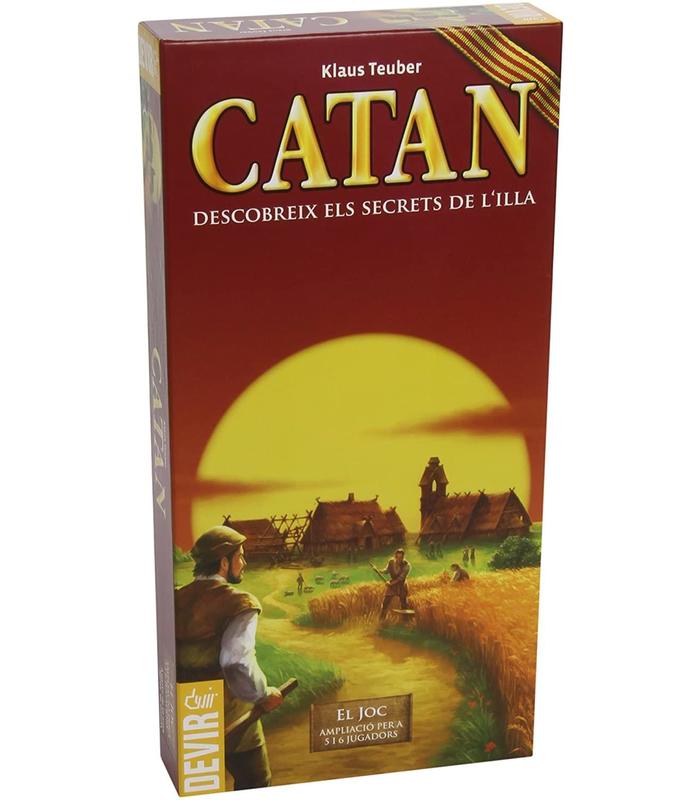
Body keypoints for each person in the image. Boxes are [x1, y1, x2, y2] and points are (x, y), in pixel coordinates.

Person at [175, 527, 284, 790]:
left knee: (199, 785)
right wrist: (262, 694)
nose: (244, 563)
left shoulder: (176, 597)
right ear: (224, 562)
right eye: (240, 556)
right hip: (234, 716)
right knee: (255, 782)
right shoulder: (239, 604)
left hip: (192, 716)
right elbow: (236, 661)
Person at [379, 548, 411, 620]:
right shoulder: (391, 562)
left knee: (404, 604)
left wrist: (391, 584)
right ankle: (382, 619)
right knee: (385, 602)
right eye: (397, 557)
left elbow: (401, 578)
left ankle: (406, 620)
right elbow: (387, 570)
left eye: (401, 558)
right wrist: (380, 571)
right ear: (395, 556)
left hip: (402, 585)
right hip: (392, 584)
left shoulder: (407, 565)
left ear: (403, 557)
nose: (399, 559)